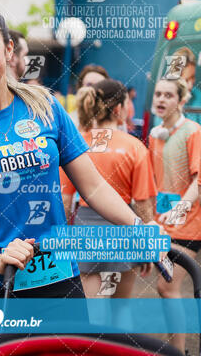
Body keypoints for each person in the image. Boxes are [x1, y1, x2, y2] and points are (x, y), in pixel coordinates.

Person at [0, 4, 161, 356]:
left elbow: (92, 186)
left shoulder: (44, 106)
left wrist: (139, 226)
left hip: (57, 280)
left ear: (8, 50)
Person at [61, 79, 157, 315]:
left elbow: (64, 200)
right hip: (124, 225)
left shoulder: (77, 142)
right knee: (121, 309)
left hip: (85, 227)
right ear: (118, 109)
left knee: (91, 309)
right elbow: (143, 203)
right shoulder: (135, 147)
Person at [149, 77, 201, 353]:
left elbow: (199, 179)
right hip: (161, 226)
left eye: (168, 95)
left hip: (188, 225)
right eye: (158, 94)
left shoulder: (193, 131)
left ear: (181, 100)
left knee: (166, 286)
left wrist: (181, 208)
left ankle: (179, 351)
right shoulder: (156, 134)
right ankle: (170, 346)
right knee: (164, 289)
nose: (160, 99)